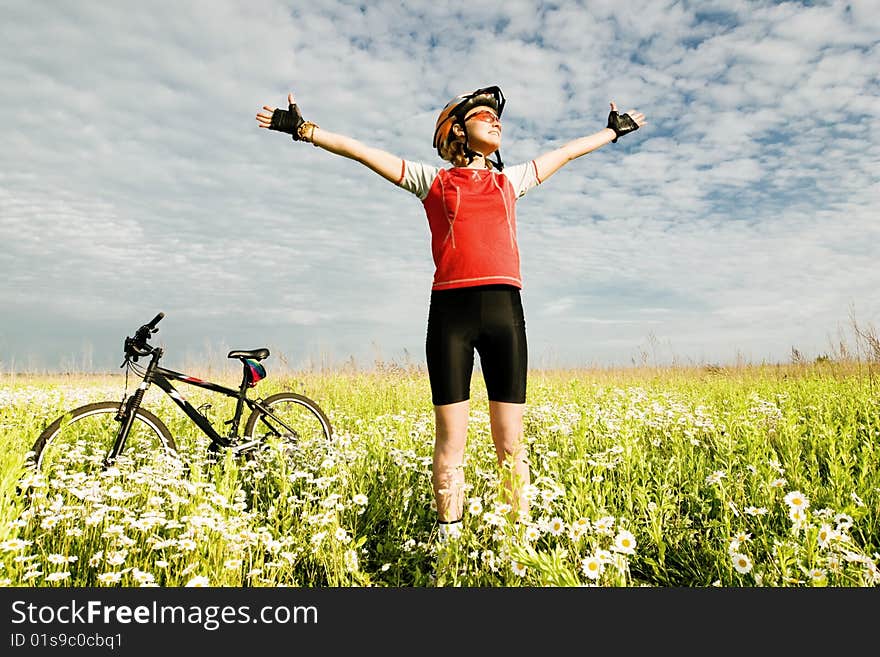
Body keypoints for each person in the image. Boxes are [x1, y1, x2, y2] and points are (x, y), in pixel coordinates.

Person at [256, 85, 645, 541]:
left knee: (511, 444)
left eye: (497, 116)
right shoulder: (432, 181)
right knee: (451, 441)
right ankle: (450, 544)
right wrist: (305, 130)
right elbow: (363, 152)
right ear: (457, 130)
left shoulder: (510, 181)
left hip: (506, 314)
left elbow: (565, 153)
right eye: (484, 115)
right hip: (450, 316)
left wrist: (610, 133)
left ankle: (516, 545)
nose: (496, 121)